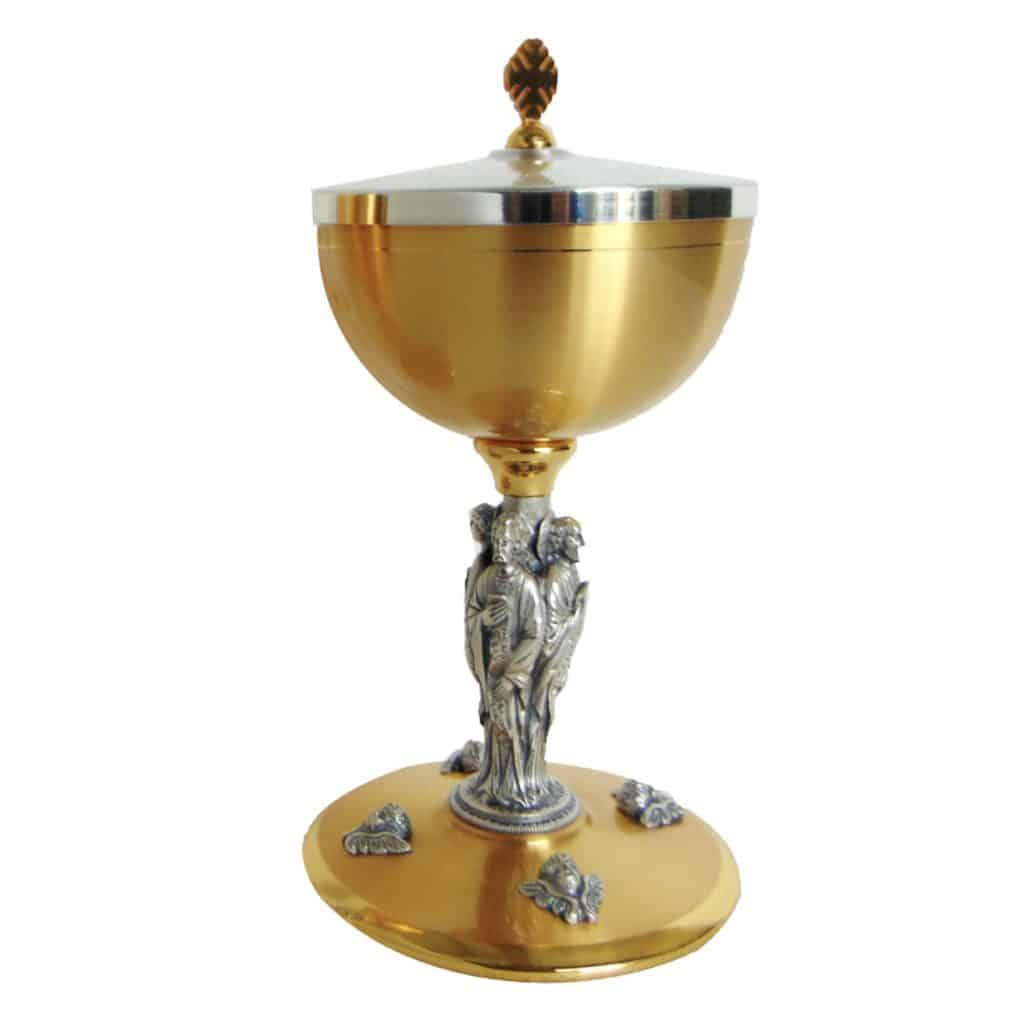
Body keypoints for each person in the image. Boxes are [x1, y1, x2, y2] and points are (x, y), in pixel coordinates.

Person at [464, 510, 545, 808]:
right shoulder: (486, 579)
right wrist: (483, 619)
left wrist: (512, 678)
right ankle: (493, 783)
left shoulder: (527, 586)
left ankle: (518, 785)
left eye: (506, 543)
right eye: (497, 541)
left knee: (514, 728)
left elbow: (534, 633)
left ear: (518, 547)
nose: (499, 548)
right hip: (491, 668)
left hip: (513, 676)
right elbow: (472, 616)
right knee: (494, 725)